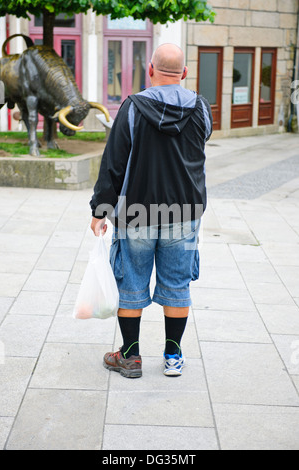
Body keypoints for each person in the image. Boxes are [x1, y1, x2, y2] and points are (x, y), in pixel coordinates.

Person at [90, 43, 212, 378]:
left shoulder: (132, 108)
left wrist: (100, 210)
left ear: (150, 70)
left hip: (137, 213)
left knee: (130, 283)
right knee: (177, 284)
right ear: (184, 73)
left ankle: (130, 356)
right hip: (185, 214)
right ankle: (173, 356)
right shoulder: (201, 108)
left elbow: (113, 164)